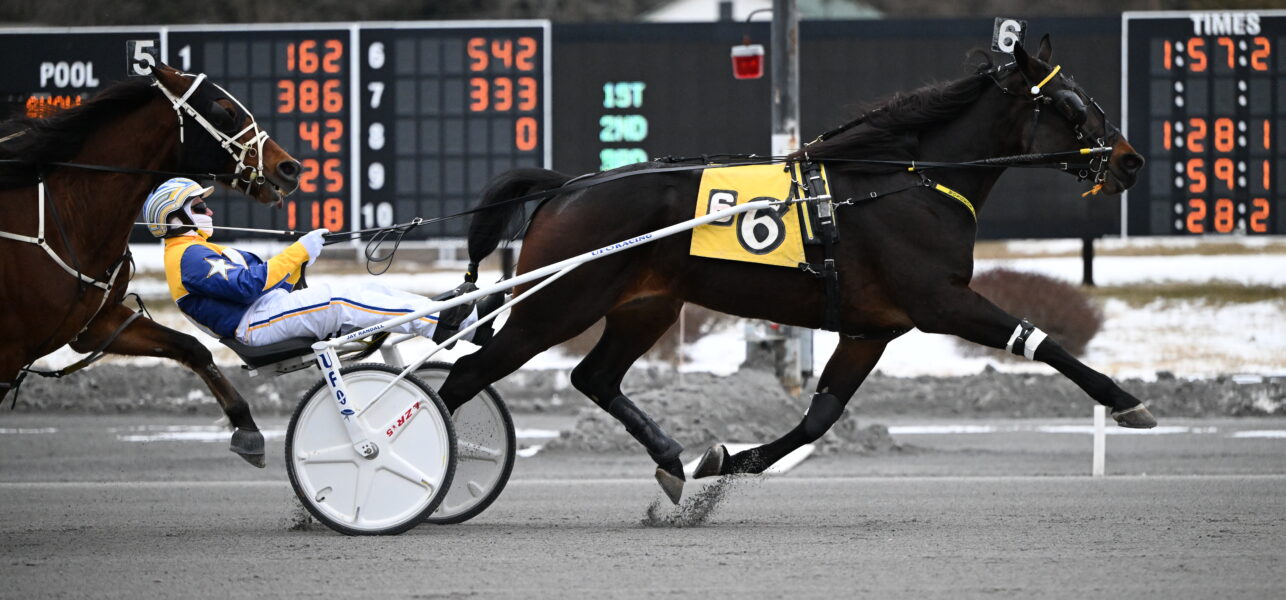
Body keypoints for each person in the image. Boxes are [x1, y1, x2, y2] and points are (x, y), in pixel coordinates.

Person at [144, 177, 496, 348]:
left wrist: (299, 263)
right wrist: (298, 251)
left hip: (265, 312)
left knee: (366, 289)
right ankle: (439, 321)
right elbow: (248, 286)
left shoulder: (196, 252)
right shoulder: (186, 257)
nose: (209, 210)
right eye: (199, 207)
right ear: (174, 218)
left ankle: (466, 319)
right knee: (340, 302)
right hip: (254, 325)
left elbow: (263, 283)